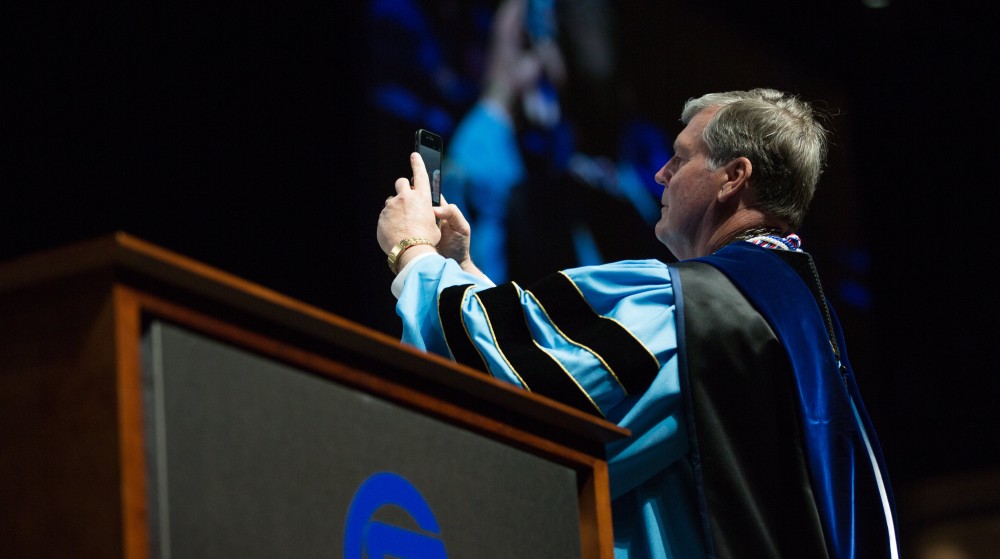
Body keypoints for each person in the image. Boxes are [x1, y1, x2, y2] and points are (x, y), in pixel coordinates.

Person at [376, 88, 899, 558]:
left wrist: (414, 254)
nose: (660, 174)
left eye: (680, 158)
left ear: (733, 177)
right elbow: (582, 381)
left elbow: (527, 392)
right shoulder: (800, 319)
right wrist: (464, 268)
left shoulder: (701, 306)